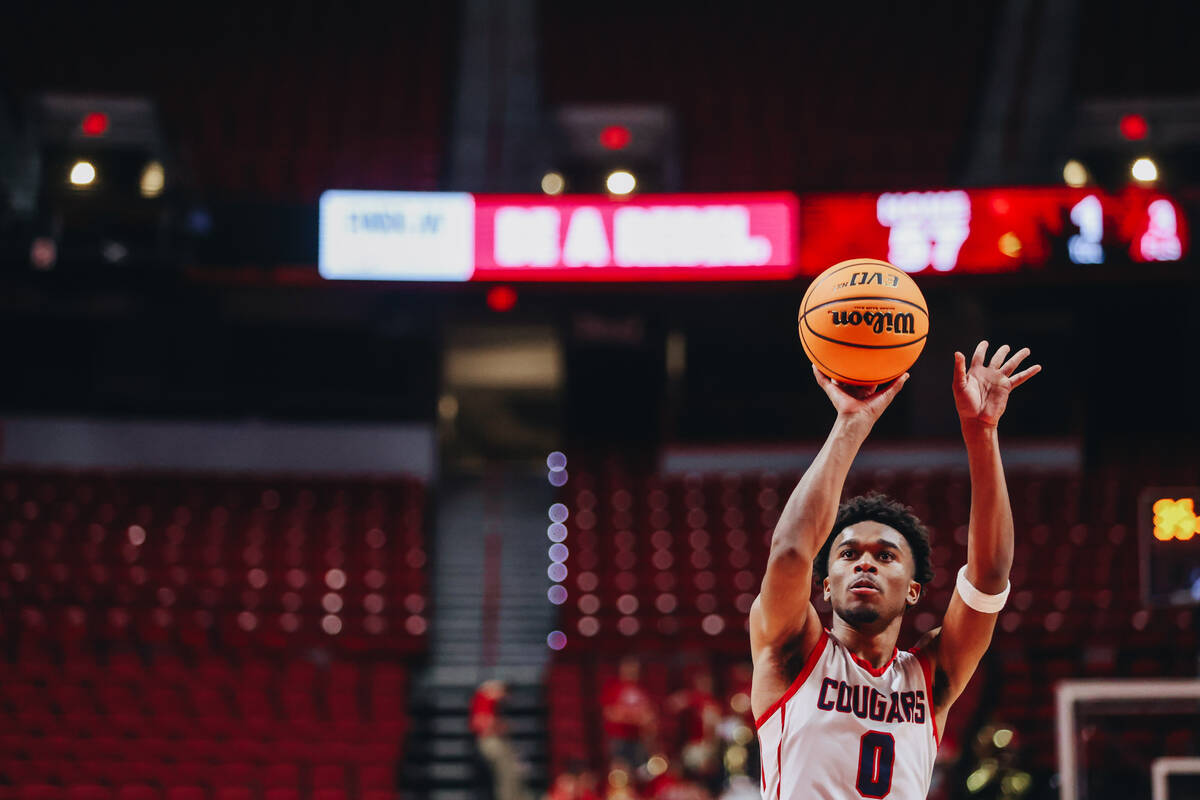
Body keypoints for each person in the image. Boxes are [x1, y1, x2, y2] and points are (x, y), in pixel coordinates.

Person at [750, 342, 1040, 798]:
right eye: (847, 554)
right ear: (825, 586)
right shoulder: (792, 651)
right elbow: (789, 551)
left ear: (913, 591)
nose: (864, 561)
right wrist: (851, 423)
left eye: (886, 556)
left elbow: (988, 579)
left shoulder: (931, 676)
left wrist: (982, 432)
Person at [471, 679, 532, 800]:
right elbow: (479, 724)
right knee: (507, 775)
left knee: (514, 772)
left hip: (496, 741)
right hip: (490, 742)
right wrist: (501, 726)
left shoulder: (491, 701)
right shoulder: (486, 697)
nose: (507, 699)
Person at [600, 656, 657, 770]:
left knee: (641, 771)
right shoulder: (614, 689)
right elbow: (610, 713)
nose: (631, 672)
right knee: (621, 772)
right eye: (629, 669)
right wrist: (635, 718)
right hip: (620, 738)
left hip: (639, 739)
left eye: (634, 669)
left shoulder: (641, 690)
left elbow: (650, 713)